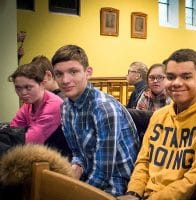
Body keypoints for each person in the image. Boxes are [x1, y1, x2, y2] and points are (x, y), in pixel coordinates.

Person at [118, 49, 196, 200]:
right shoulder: (159, 115)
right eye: (171, 77)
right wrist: (134, 192)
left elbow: (194, 180)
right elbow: (143, 161)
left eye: (186, 77)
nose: (177, 83)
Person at [51, 44, 140, 196]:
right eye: (59, 74)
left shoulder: (104, 109)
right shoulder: (65, 107)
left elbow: (103, 173)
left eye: (73, 72)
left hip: (118, 182)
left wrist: (75, 193)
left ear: (88, 72)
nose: (65, 80)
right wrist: (74, 170)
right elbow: (78, 154)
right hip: (90, 175)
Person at [9, 63, 63, 145]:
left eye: (28, 87)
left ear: (42, 84)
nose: (23, 93)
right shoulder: (28, 104)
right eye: (18, 88)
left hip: (59, 155)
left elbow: (32, 141)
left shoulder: (54, 104)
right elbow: (13, 129)